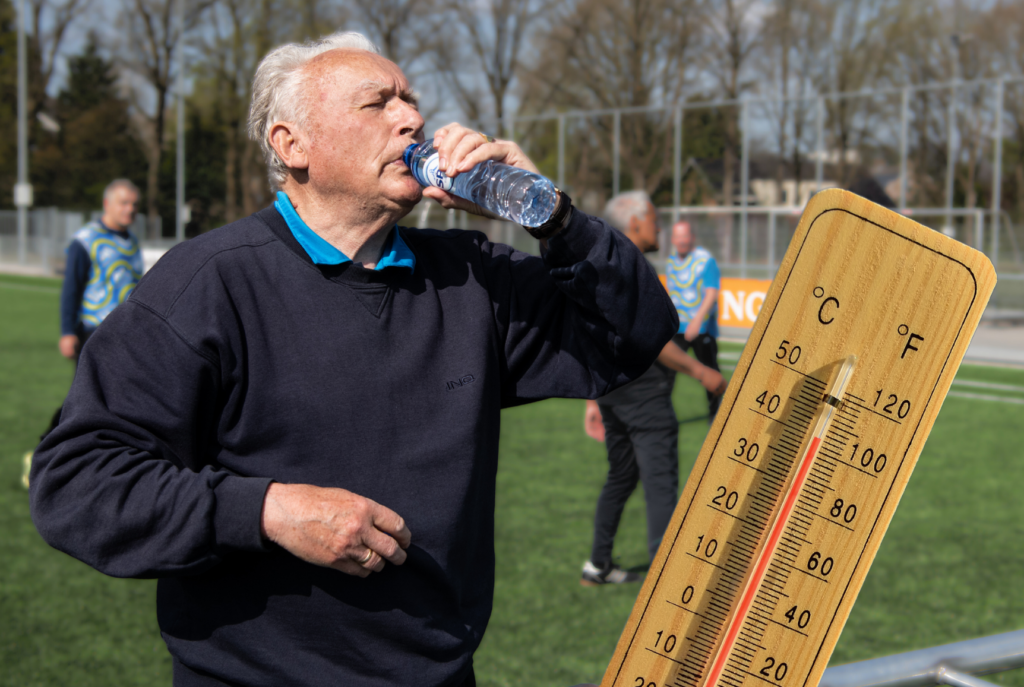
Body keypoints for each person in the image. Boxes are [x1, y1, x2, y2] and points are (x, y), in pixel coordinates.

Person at [29, 32, 678, 687]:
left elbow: (636, 332)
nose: (412, 118)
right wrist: (266, 511)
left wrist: (551, 213)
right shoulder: (208, 282)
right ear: (293, 145)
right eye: (378, 103)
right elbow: (76, 481)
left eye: (411, 100)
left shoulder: (471, 277)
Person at [581, 192, 726, 586]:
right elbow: (654, 343)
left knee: (622, 477)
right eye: (655, 220)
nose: (659, 227)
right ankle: (668, 581)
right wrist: (702, 373)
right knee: (660, 483)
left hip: (614, 392)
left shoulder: (603, 263)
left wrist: (595, 399)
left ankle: (597, 566)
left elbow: (597, 336)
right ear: (635, 223)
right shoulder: (630, 266)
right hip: (644, 396)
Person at [22, 179, 143, 488]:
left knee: (115, 400)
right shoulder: (85, 240)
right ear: (107, 204)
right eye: (124, 203)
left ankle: (105, 463)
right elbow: (71, 289)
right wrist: (66, 331)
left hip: (124, 336)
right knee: (86, 399)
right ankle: (41, 453)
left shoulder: (130, 241)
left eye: (134, 204)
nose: (130, 209)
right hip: (92, 333)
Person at [667, 219, 722, 420]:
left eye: (685, 235)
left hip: (701, 328)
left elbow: (711, 292)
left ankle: (716, 416)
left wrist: (697, 321)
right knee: (667, 372)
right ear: (673, 239)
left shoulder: (705, 260)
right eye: (677, 236)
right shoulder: (672, 260)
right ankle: (663, 414)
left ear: (692, 237)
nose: (681, 240)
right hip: (677, 328)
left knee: (709, 372)